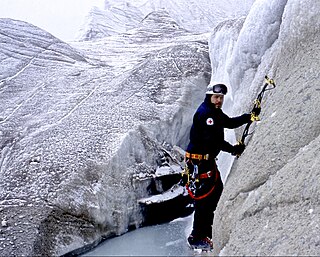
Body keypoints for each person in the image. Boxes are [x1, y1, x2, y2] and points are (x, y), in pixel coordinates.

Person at [184, 83, 260, 250]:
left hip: (206, 162)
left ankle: (208, 230)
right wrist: (233, 149)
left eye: (221, 98)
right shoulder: (206, 115)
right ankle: (196, 237)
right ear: (209, 97)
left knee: (216, 193)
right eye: (216, 97)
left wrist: (249, 117)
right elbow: (214, 141)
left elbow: (229, 123)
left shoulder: (214, 112)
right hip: (200, 164)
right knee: (204, 200)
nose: (219, 100)